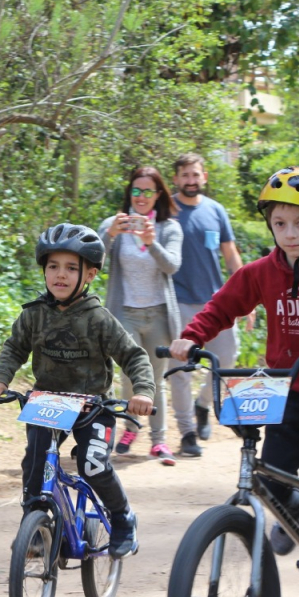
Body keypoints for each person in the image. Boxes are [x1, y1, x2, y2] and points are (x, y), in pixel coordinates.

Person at [0, 223, 155, 558]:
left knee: (93, 465)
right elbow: (14, 348)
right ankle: (35, 524)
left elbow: (133, 356)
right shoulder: (34, 315)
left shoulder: (99, 319)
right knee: (35, 462)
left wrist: (143, 391)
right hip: (47, 403)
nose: (60, 275)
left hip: (93, 408)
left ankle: (122, 518)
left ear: (89, 274)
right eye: (53, 266)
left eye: (71, 268)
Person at [170, 167, 299, 555]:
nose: (291, 233)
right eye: (280, 223)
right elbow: (223, 306)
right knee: (273, 482)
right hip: (289, 388)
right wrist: (190, 337)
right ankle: (298, 509)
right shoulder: (262, 273)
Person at [98, 166, 183, 465]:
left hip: (159, 315)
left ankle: (159, 441)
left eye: (148, 191)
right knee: (129, 377)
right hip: (125, 314)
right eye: (136, 191)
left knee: (156, 380)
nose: (142, 196)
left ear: (158, 194)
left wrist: (151, 242)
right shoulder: (114, 225)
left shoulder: (169, 227)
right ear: (129, 193)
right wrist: (110, 234)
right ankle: (131, 427)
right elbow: (92, 257)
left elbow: (172, 265)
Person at [169, 152, 247, 457]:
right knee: (180, 369)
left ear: (205, 177)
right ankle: (187, 432)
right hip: (178, 301)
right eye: (185, 175)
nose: (191, 180)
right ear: (176, 179)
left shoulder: (216, 210)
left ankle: (203, 405)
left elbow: (230, 254)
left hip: (218, 301)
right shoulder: (167, 210)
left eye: (195, 175)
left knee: (226, 359)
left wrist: (246, 296)